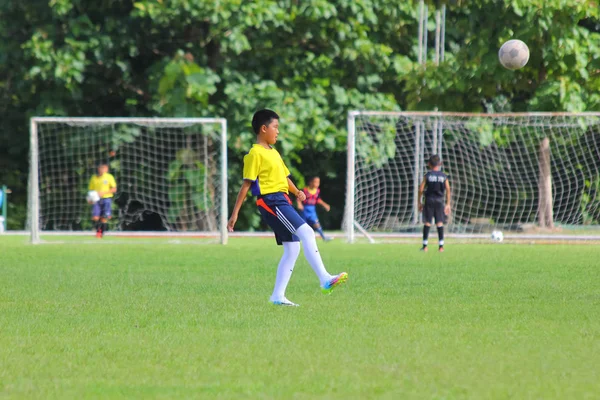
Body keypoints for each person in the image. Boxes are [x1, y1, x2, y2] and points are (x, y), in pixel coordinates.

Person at [227, 109, 348, 306]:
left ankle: (277, 296)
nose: (278, 132)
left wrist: (297, 191)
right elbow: (246, 185)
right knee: (307, 232)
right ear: (263, 129)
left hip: (282, 199)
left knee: (292, 248)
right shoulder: (254, 154)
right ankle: (325, 279)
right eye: (275, 127)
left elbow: (284, 178)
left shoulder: (273, 153)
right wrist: (234, 215)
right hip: (271, 201)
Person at [418, 155, 451, 252]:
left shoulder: (427, 175)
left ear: (429, 164)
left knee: (428, 222)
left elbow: (421, 189)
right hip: (440, 201)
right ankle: (441, 246)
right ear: (440, 164)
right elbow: (448, 190)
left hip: (429, 200)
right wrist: (448, 204)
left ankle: (425, 246)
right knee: (439, 222)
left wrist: (419, 202)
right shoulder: (444, 176)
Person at [297, 176, 333, 241]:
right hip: (304, 209)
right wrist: (299, 204)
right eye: (315, 182)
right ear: (310, 182)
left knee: (316, 223)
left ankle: (323, 237)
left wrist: (325, 205)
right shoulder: (305, 190)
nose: (317, 184)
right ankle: (300, 238)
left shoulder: (317, 191)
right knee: (303, 225)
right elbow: (299, 198)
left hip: (312, 210)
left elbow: (318, 200)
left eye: (318, 182)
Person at [88, 162, 117, 238]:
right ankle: (98, 231)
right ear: (98, 169)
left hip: (106, 199)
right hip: (96, 200)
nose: (103, 170)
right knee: (95, 217)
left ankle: (100, 233)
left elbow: (114, 189)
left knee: (104, 218)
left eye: (104, 168)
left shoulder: (109, 177)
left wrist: (104, 192)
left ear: (107, 169)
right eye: (101, 168)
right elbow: (90, 190)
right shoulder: (94, 177)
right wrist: (89, 198)